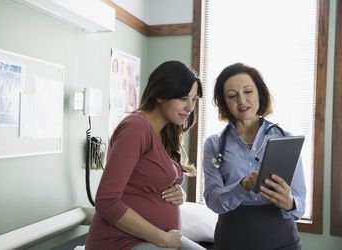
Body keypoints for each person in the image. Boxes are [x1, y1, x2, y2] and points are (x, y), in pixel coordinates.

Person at [85, 61, 206, 250]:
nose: (190, 107)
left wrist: (178, 193)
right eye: (183, 98)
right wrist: (162, 239)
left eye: (194, 99)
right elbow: (106, 201)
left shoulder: (166, 131)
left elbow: (148, 182)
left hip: (153, 240)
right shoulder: (136, 128)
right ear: (160, 95)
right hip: (120, 242)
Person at [203, 63, 306, 250]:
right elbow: (212, 199)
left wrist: (289, 202)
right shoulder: (214, 144)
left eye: (248, 91)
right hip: (231, 241)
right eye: (232, 96)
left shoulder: (286, 139)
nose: (241, 100)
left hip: (282, 242)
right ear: (224, 102)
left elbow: (300, 203)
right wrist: (242, 186)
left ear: (260, 93)